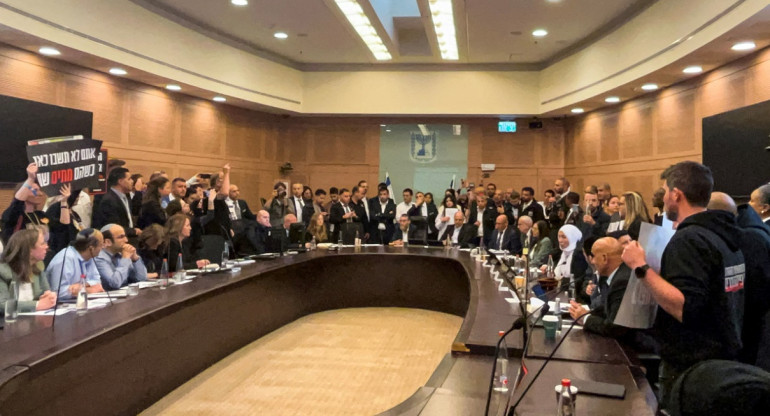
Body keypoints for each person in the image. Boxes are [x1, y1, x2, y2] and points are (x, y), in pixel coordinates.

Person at [621, 161, 746, 409]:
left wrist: (640, 266)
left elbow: (684, 307)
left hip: (690, 365)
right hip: (722, 357)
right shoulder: (724, 234)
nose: (664, 198)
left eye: (666, 191)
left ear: (676, 194)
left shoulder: (689, 240)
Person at [569, 237, 631, 338]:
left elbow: (614, 328)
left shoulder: (622, 281)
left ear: (604, 258)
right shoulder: (619, 274)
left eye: (593, 256)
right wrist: (585, 312)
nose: (592, 261)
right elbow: (608, 309)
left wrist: (585, 318)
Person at [2, 163, 68, 245]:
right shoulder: (14, 215)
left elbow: (63, 230)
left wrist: (64, 202)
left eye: (40, 190)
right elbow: (17, 203)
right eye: (35, 190)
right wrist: (30, 179)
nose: (40, 194)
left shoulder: (41, 215)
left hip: (42, 256)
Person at [0, 228, 56, 314]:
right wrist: (37, 305)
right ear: (28, 249)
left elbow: (47, 296)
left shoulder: (38, 270)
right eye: (42, 243)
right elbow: (2, 305)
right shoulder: (3, 272)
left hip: (32, 322)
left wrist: (51, 298)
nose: (47, 247)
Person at [46, 228, 105, 300]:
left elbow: (97, 283)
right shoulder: (65, 259)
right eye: (101, 245)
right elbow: (57, 292)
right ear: (91, 248)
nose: (103, 247)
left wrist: (81, 287)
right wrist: (88, 290)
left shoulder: (90, 257)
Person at [543, 224, 588, 303]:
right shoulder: (562, 253)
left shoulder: (579, 255)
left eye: (564, 237)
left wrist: (559, 281)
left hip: (575, 298)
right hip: (560, 293)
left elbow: (577, 281)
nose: (560, 240)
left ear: (573, 237)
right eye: (559, 237)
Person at [94, 224, 148, 290]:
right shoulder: (99, 258)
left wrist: (135, 259)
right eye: (121, 237)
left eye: (125, 236)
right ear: (108, 242)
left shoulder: (120, 254)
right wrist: (125, 258)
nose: (126, 240)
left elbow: (141, 278)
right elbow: (115, 283)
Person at [94, 167, 141, 239]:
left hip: (128, 237)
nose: (132, 181)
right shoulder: (109, 200)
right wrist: (133, 231)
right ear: (120, 181)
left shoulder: (126, 196)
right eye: (129, 179)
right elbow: (112, 226)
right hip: (115, 239)